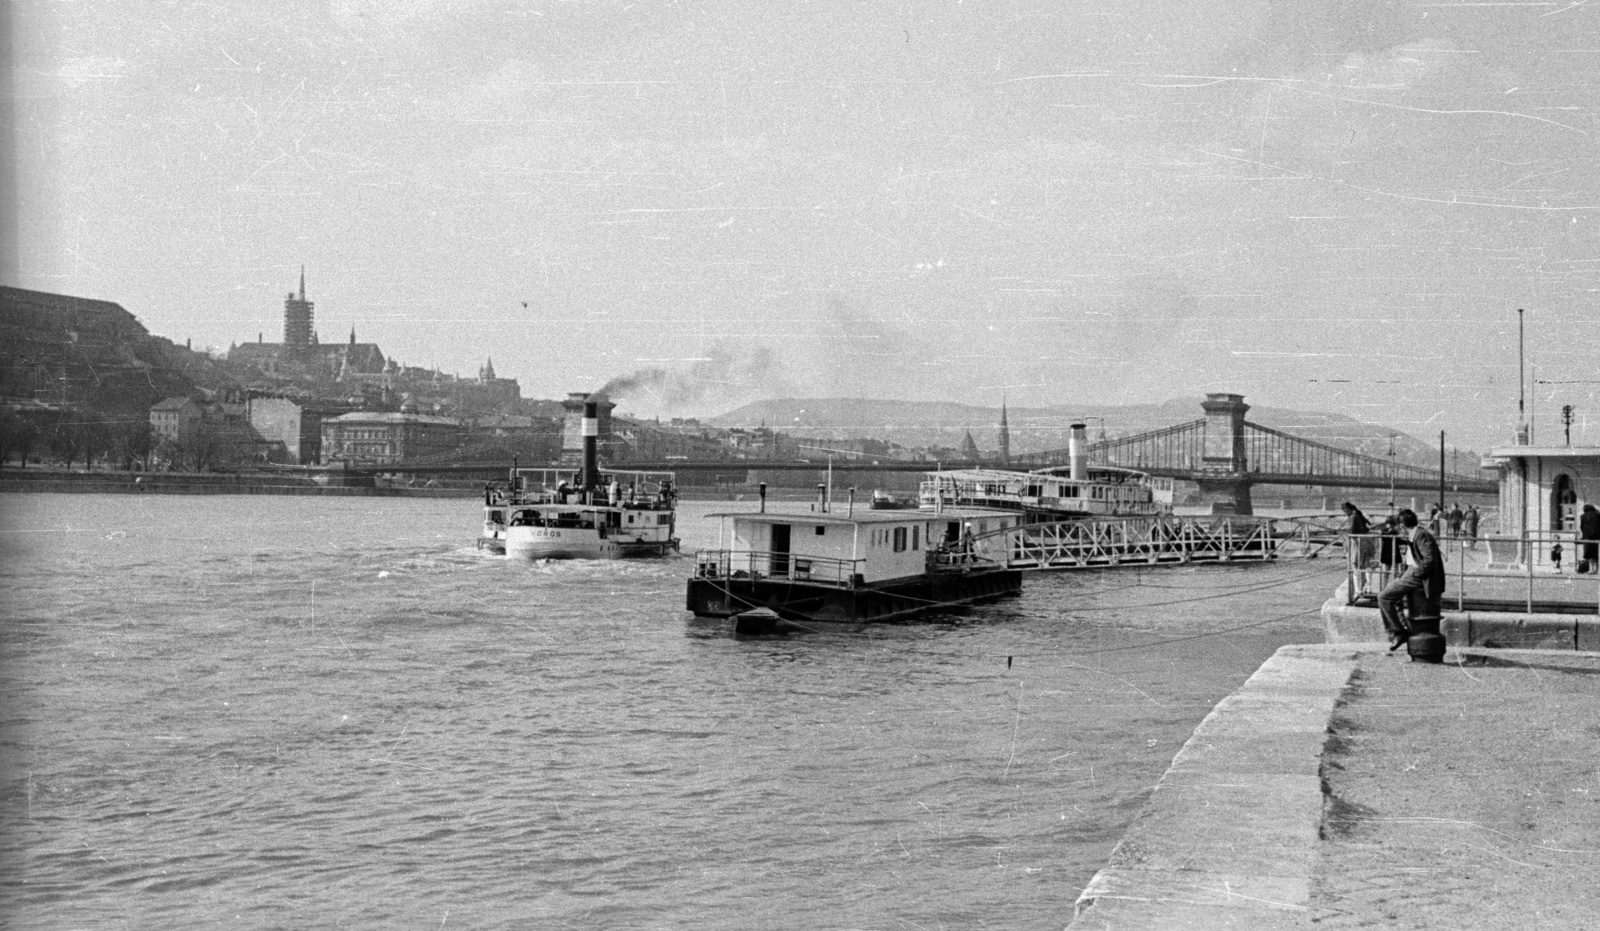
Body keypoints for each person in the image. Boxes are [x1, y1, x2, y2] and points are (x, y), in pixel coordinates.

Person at [1378, 508, 1446, 652]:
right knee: (1393, 596)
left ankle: (1398, 631)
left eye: (1399, 529)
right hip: (1413, 572)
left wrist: (1414, 574)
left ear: (1402, 526)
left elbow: (1429, 560)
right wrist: (1404, 574)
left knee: (1384, 597)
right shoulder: (1417, 534)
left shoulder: (1420, 535)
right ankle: (1400, 627)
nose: (1399, 532)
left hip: (1419, 575)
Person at [1341, 502, 1377, 595]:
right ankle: (1368, 587)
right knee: (1367, 565)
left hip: (1357, 542)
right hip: (1366, 541)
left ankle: (1357, 590)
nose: (1346, 514)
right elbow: (1366, 528)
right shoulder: (1358, 514)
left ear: (1348, 509)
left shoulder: (1353, 516)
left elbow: (1351, 530)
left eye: (1346, 512)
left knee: (1355, 566)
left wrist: (1346, 535)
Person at [1581, 504, 1600, 574]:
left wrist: (1584, 535)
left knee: (1589, 553)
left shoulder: (1583, 516)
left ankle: (1591, 569)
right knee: (1597, 553)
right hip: (1597, 537)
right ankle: (1597, 569)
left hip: (1587, 537)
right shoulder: (1598, 515)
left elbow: (1582, 527)